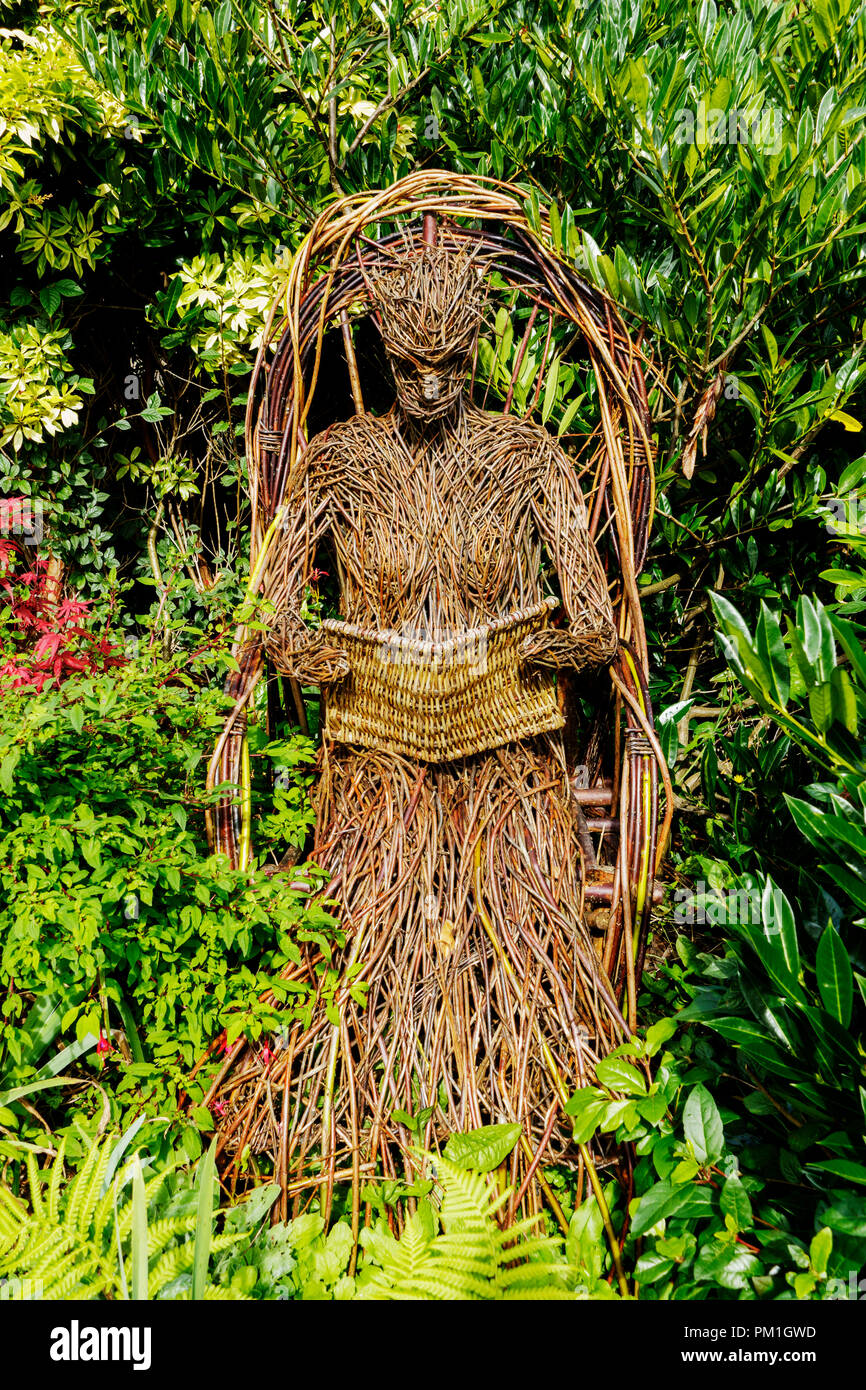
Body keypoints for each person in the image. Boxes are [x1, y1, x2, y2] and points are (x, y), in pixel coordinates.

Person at [212, 239, 628, 1199]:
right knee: (370, 931)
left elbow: (598, 621)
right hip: (376, 744)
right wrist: (304, 650)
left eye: (452, 365)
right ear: (384, 351)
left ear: (478, 349)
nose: (432, 387)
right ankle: (356, 1123)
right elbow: (273, 605)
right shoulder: (338, 463)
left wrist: (555, 651)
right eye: (409, 367)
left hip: (507, 740)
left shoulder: (526, 459)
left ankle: (535, 1122)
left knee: (519, 912)